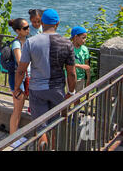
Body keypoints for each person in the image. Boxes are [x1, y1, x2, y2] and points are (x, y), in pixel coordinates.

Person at [15, 9, 76, 149]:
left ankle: (42, 145)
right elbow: (71, 73)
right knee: (55, 124)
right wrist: (71, 92)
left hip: (37, 90)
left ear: (42, 22)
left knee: (40, 126)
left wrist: (18, 87)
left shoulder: (31, 42)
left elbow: (21, 70)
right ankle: (52, 147)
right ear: (58, 23)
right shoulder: (67, 43)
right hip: (57, 90)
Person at [8, 18, 31, 142]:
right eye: (25, 28)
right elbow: (20, 61)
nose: (28, 29)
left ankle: (15, 135)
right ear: (18, 31)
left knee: (20, 107)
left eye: (28, 27)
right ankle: (12, 138)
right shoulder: (17, 44)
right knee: (17, 109)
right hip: (18, 78)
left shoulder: (27, 41)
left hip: (24, 77)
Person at [70, 26, 90, 92]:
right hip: (70, 77)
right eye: (83, 38)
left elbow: (87, 66)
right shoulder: (69, 48)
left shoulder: (84, 49)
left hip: (81, 78)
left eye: (85, 38)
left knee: (77, 99)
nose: (85, 40)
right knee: (69, 98)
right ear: (76, 37)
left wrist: (88, 79)